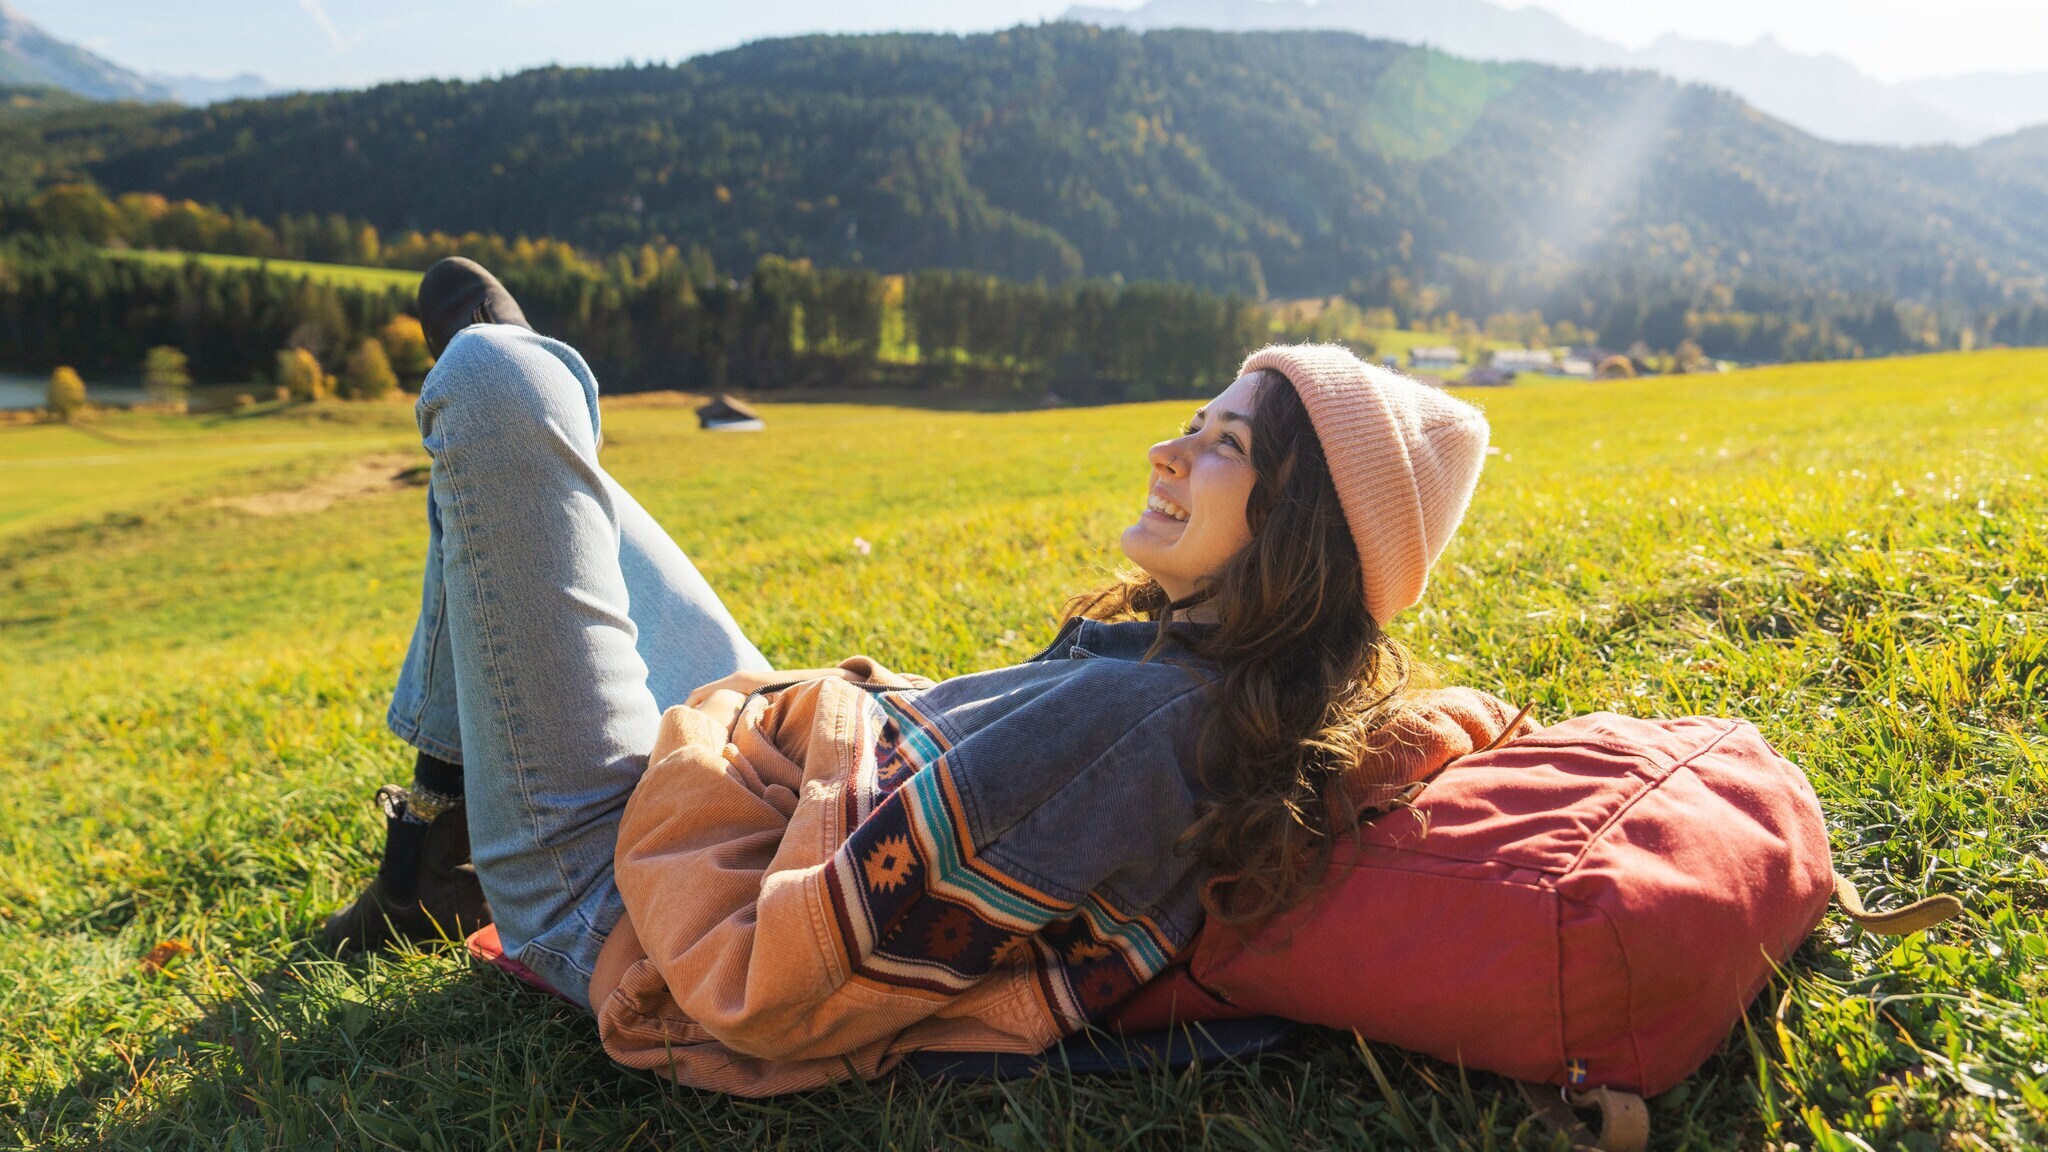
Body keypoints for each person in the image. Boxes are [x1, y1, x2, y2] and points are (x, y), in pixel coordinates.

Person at [322, 258, 1508, 1093]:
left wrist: (724, 738)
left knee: (496, 393)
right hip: (765, 802)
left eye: (1222, 445)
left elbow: (770, 979)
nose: (1167, 450)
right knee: (536, 480)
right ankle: (436, 840)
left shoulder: (1138, 723)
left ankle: (455, 829)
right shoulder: (1197, 668)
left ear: (1295, 528)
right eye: (1195, 419)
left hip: (619, 901)